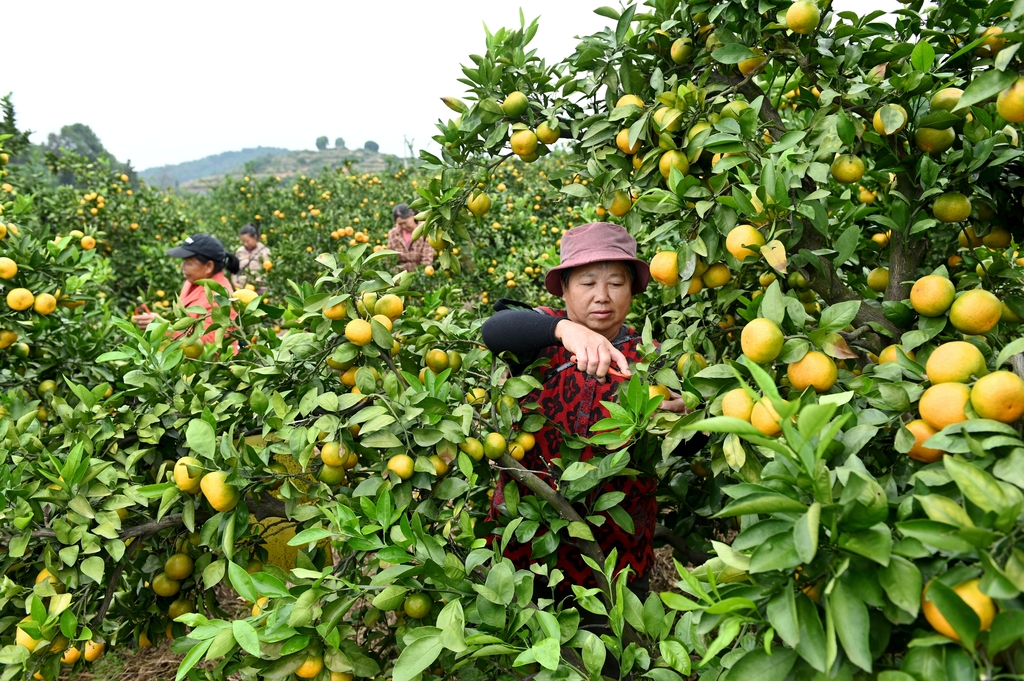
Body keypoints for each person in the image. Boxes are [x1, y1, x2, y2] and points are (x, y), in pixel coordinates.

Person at [481, 221, 696, 601]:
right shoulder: (540, 335)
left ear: (632, 291)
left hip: (617, 555)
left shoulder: (652, 360)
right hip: (529, 545)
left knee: (616, 653)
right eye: (587, 283)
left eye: (616, 283)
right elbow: (495, 329)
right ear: (564, 289)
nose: (602, 296)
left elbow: (680, 451)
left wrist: (685, 424)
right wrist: (564, 330)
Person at [133, 234, 240, 345]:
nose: (182, 267)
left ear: (209, 266)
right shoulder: (192, 282)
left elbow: (207, 344)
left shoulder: (221, 300)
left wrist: (162, 328)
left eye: (188, 263)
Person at [386, 204, 434, 273]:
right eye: (400, 224)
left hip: (420, 275)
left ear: (412, 215)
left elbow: (427, 259)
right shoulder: (393, 234)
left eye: (405, 223)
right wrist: (397, 278)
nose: (403, 226)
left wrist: (419, 276)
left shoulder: (425, 230)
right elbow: (390, 260)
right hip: (400, 278)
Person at [232, 224, 271, 291]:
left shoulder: (264, 251)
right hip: (243, 288)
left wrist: (257, 282)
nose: (245, 244)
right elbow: (235, 269)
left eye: (247, 241)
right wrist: (235, 282)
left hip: (260, 288)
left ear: (255, 237)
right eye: (243, 241)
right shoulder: (240, 251)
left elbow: (268, 270)